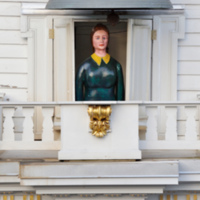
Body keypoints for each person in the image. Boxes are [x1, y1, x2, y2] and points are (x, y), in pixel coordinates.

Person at [75, 23, 125, 101]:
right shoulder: (84, 67)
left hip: (112, 110)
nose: (101, 40)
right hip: (88, 110)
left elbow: (120, 96)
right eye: (97, 38)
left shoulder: (116, 66)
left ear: (108, 40)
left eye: (104, 38)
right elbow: (78, 96)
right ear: (92, 40)